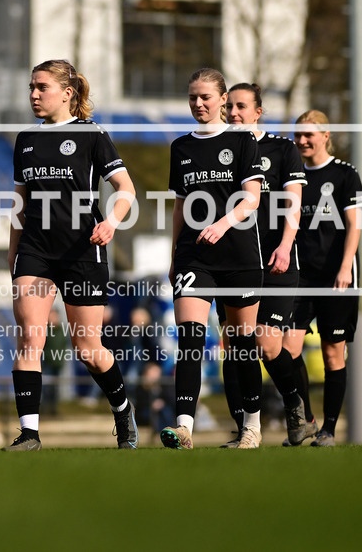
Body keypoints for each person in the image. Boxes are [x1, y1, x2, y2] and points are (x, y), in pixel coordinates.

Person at [4, 58, 139, 451]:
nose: (33, 94)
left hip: (83, 250)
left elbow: (126, 188)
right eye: (31, 87)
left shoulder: (92, 135)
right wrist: (13, 252)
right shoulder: (25, 140)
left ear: (66, 93)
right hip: (35, 251)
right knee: (30, 338)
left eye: (41, 87)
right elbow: (19, 202)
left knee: (88, 351)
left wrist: (111, 222)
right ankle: (29, 434)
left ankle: (122, 410)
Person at [161, 68, 264, 450]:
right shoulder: (181, 147)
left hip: (239, 256)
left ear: (223, 99)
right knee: (190, 336)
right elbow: (180, 207)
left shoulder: (242, 141)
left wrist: (222, 224)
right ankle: (184, 427)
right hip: (194, 257)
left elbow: (252, 198)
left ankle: (251, 426)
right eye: (192, 97)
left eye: (205, 97)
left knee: (241, 343)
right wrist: (174, 254)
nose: (198, 103)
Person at [218, 82, 310, 449]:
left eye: (241, 106)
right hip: (235, 263)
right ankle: (244, 429)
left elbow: (293, 204)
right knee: (234, 345)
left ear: (258, 112)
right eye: (230, 106)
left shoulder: (282, 150)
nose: (234, 113)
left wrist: (286, 246)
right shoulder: (220, 150)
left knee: (267, 344)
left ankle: (294, 404)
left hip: (276, 261)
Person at [291, 109, 362, 447]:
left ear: (326, 135)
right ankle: (306, 419)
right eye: (298, 135)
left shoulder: (345, 174)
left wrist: (345, 266)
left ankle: (329, 430)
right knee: (286, 349)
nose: (302, 141)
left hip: (336, 276)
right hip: (300, 276)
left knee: (332, 354)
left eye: (309, 134)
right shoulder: (292, 176)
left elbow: (354, 224)